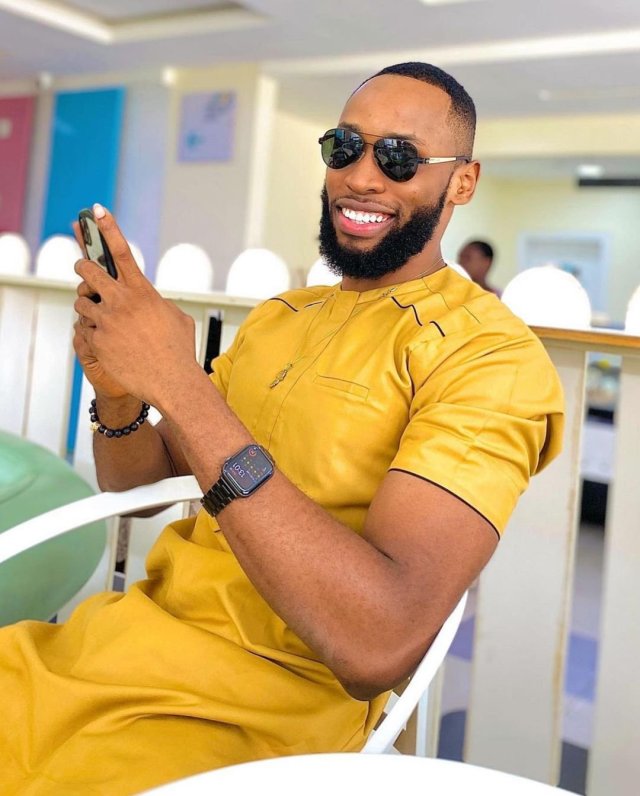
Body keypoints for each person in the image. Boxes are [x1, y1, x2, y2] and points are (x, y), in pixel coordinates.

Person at [0, 62, 564, 794]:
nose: (361, 177)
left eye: (398, 158)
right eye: (344, 147)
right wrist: (118, 395)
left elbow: (377, 643)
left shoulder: (489, 358)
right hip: (116, 644)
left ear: (462, 182)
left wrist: (177, 380)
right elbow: (138, 489)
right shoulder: (279, 318)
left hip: (260, 718)